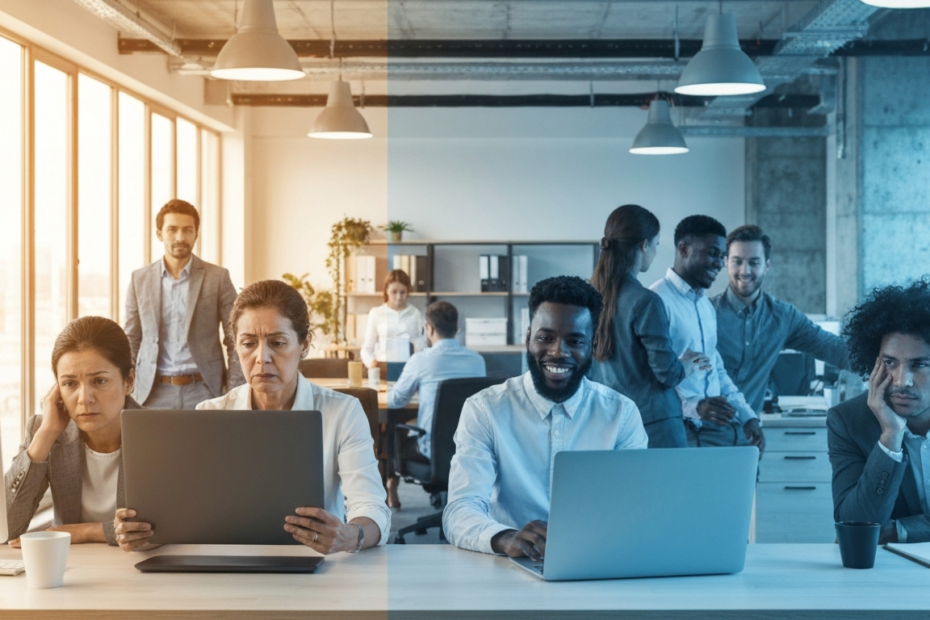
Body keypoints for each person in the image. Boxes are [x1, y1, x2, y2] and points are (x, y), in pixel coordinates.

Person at [114, 280, 389, 554]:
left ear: (304, 345)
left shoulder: (343, 413)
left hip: (316, 563)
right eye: (248, 344)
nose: (262, 358)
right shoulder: (210, 415)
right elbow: (186, 516)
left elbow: (372, 507)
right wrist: (144, 534)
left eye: (277, 343)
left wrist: (350, 535)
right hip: (230, 567)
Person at [443, 276, 647, 558]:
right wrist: (504, 538)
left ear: (593, 344)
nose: (558, 352)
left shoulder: (621, 415)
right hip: (507, 565)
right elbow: (459, 510)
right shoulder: (485, 409)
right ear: (528, 338)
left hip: (596, 559)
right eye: (545, 338)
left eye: (575, 340)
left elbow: (634, 507)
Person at [5, 317, 142, 547]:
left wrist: (90, 531)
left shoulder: (157, 434)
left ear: (128, 380)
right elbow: (5, 529)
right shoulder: (44, 431)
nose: (84, 399)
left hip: (139, 570)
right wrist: (46, 434)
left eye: (99, 381)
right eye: (69, 384)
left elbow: (169, 523)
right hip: (69, 570)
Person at [589, 205, 710, 448]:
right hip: (656, 426)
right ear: (644, 245)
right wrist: (688, 363)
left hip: (608, 425)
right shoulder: (646, 301)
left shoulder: (590, 297)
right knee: (669, 487)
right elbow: (667, 373)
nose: (655, 252)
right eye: (656, 245)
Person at [650, 215, 765, 453]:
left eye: (721, 256)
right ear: (683, 249)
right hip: (678, 433)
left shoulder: (704, 306)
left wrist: (747, 416)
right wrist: (694, 407)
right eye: (712, 253)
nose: (718, 263)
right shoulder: (655, 301)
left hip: (715, 433)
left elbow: (716, 369)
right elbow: (650, 380)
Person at [828, 277, 930, 544]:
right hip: (886, 578)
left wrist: (900, 530)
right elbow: (854, 527)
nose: (901, 381)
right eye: (890, 363)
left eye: (919, 365)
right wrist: (890, 437)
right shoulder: (849, 421)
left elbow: (880, 532)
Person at [711, 225, 848, 414]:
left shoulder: (783, 316)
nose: (745, 270)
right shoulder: (706, 313)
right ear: (726, 262)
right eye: (737, 261)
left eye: (754, 262)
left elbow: (832, 348)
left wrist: (888, 362)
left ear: (767, 265)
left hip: (749, 436)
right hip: (703, 436)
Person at [124, 199, 243, 409]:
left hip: (205, 389)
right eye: (172, 230)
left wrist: (234, 391)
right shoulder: (139, 279)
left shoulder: (218, 278)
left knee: (207, 443)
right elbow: (131, 339)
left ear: (196, 233)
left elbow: (236, 337)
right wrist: (126, 387)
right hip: (151, 393)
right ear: (159, 233)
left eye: (187, 230)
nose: (180, 237)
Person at [386, 301, 487, 508]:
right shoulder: (477, 361)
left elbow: (396, 400)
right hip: (471, 448)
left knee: (391, 430)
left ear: (429, 329)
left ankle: (389, 488)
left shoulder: (420, 360)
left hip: (430, 451)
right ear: (456, 329)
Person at [360, 270, 425, 369]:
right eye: (394, 292)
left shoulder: (416, 314)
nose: (398, 297)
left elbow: (423, 346)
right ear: (387, 291)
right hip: (383, 369)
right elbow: (366, 350)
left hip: (410, 369)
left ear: (408, 291)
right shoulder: (376, 313)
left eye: (402, 292)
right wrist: (373, 364)